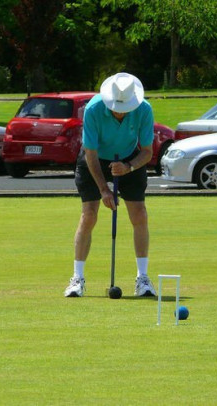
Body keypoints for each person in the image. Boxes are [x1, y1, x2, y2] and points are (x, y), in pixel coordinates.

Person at [65, 72, 157, 298]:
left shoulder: (144, 110)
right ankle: (77, 279)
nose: (120, 111)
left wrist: (129, 167)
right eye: (117, 107)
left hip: (129, 158)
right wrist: (104, 190)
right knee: (89, 215)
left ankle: (142, 279)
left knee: (140, 215)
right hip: (94, 160)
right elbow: (91, 154)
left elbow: (147, 152)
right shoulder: (94, 109)